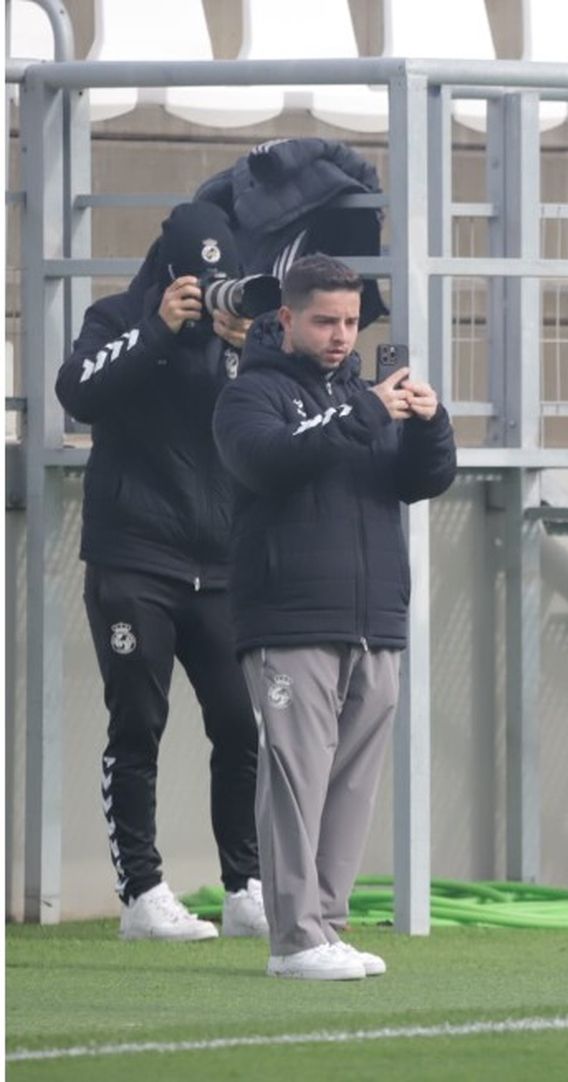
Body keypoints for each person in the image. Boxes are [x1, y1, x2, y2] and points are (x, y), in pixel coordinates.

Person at [213, 254, 457, 980]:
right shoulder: (248, 395)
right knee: (295, 782)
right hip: (289, 621)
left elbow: (425, 480)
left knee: (350, 788)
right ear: (285, 318)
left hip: (375, 621)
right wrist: (367, 411)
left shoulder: (365, 397)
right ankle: (294, 940)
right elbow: (268, 463)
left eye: (350, 321)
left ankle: (325, 927)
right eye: (324, 320)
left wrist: (429, 421)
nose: (340, 335)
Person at [55, 202, 267, 941]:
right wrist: (158, 329)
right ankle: (142, 895)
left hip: (221, 565)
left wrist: (239, 347)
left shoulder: (242, 333)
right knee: (138, 725)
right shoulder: (115, 317)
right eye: (198, 281)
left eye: (223, 281)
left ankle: (246, 887)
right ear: (170, 270)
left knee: (243, 728)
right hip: (134, 559)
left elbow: (255, 424)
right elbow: (76, 392)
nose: (212, 294)